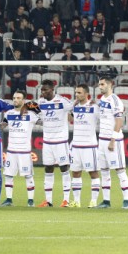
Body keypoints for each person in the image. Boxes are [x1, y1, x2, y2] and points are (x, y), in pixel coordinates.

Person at [36, 79, 73, 207]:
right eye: (42, 90)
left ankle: (66, 200)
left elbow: (74, 107)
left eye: (45, 90)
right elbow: (29, 110)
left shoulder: (62, 101)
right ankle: (48, 201)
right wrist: (37, 121)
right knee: (48, 168)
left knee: (64, 168)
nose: (43, 92)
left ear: (52, 89)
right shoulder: (40, 102)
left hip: (60, 141)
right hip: (47, 142)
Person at [0, 91, 40, 207]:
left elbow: (42, 122)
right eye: (14, 98)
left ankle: (31, 200)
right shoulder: (9, 113)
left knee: (28, 175)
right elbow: (4, 125)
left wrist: (39, 111)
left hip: (25, 151)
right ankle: (8, 199)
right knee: (8, 175)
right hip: (11, 151)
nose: (15, 100)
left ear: (23, 101)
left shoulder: (31, 115)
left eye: (18, 98)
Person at [96, 76, 128, 209]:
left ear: (110, 85)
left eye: (103, 84)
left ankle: (127, 200)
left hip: (113, 141)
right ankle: (106, 201)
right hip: (102, 140)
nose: (100, 87)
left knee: (120, 170)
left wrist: (112, 140)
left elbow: (119, 121)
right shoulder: (102, 99)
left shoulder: (116, 100)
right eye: (99, 84)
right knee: (104, 170)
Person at [70, 84, 101, 208]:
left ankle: (93, 201)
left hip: (90, 146)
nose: (77, 95)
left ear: (86, 94)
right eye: (76, 92)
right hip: (76, 146)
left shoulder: (94, 107)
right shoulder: (75, 106)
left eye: (79, 93)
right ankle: (77, 201)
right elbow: (69, 118)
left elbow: (103, 118)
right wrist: (71, 106)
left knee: (93, 173)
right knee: (76, 173)